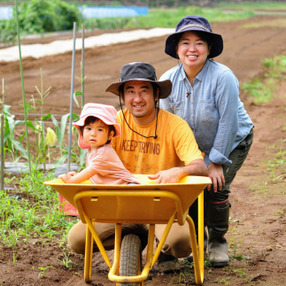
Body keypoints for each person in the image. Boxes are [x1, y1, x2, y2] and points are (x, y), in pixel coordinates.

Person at [68, 62, 208, 273]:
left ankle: (160, 245)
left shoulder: (175, 125)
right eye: (130, 91)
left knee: (180, 243)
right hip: (119, 207)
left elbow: (200, 166)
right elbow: (96, 160)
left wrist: (178, 171)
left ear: (156, 94)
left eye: (144, 91)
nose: (137, 98)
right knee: (77, 241)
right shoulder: (112, 124)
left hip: (161, 207)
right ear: (122, 97)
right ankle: (131, 237)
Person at [159, 16, 254, 267]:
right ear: (177, 49)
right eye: (186, 43)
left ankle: (217, 241)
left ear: (209, 49)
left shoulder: (223, 77)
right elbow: (168, 126)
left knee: (214, 187)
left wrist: (216, 161)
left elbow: (228, 122)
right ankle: (193, 241)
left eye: (200, 43)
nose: (192, 49)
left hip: (232, 140)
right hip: (193, 147)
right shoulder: (167, 80)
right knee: (188, 189)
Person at [59, 103, 140, 185]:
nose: (93, 134)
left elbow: (89, 172)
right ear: (82, 131)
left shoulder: (103, 153)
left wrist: (70, 181)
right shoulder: (92, 150)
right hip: (113, 189)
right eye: (88, 128)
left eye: (100, 130)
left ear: (110, 135)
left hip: (127, 186)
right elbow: (92, 174)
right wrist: (78, 176)